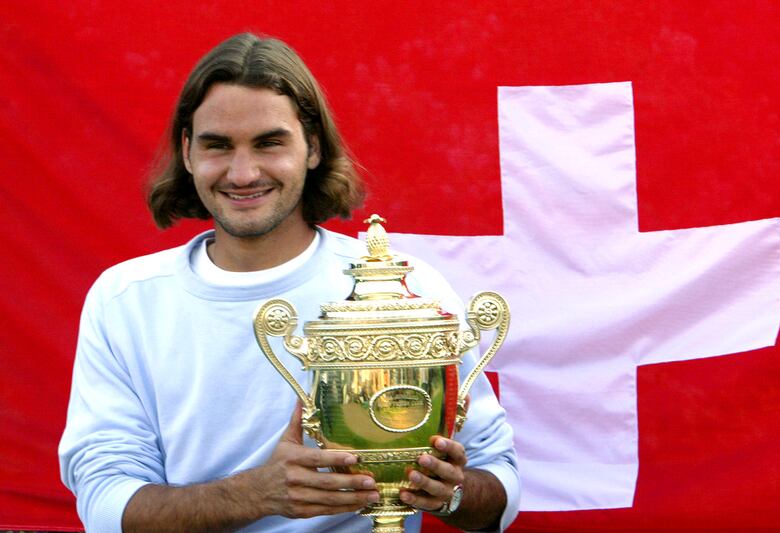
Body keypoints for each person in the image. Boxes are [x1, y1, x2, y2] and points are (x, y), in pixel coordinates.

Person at [58, 33, 519, 533]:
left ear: (313, 148)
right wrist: (255, 494)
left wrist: (448, 493)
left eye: (269, 143)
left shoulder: (408, 290)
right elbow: (105, 508)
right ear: (187, 153)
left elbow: (500, 487)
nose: (243, 172)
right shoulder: (126, 299)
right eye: (217, 145)